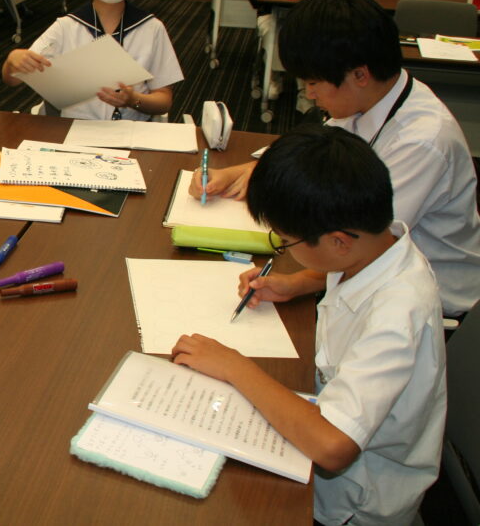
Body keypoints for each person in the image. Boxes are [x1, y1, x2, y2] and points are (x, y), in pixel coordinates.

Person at [174, 124, 445, 526]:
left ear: (338, 241)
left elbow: (334, 447)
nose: (284, 250)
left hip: (351, 503)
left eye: (286, 242)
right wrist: (297, 283)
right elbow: (341, 270)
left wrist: (234, 366)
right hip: (322, 419)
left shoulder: (397, 316)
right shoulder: (376, 246)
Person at [190, 0, 480, 317]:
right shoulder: (368, 99)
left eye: (314, 83)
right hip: (363, 281)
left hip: (430, 307)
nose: (309, 94)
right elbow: (313, 154)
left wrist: (296, 282)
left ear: (359, 74)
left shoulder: (421, 142)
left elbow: (361, 243)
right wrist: (235, 172)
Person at [0, 0, 183, 120]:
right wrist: (12, 62)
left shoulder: (151, 28)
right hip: (74, 129)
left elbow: (164, 100)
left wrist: (133, 100)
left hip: (129, 131)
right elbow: (13, 80)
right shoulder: (67, 27)